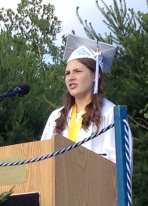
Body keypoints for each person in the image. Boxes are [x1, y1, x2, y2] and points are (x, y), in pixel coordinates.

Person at [41, 35, 129, 163]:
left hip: (96, 183)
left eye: (77, 71)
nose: (71, 77)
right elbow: (43, 159)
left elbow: (118, 165)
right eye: (67, 73)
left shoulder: (111, 113)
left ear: (95, 75)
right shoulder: (56, 117)